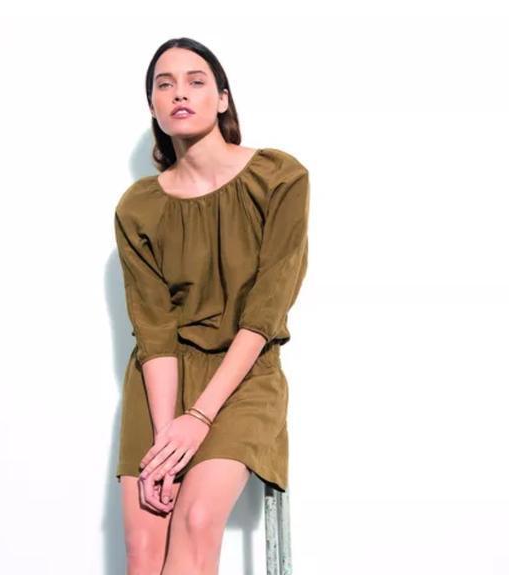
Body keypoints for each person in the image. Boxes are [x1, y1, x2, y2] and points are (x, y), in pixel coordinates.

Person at [113, 37, 309, 575]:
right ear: (153, 105)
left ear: (223, 98)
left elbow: (266, 310)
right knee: (144, 551)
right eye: (165, 84)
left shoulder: (279, 178)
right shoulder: (139, 207)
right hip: (162, 380)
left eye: (195, 81)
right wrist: (166, 437)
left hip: (244, 374)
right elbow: (154, 328)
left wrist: (199, 418)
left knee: (196, 520)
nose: (180, 93)